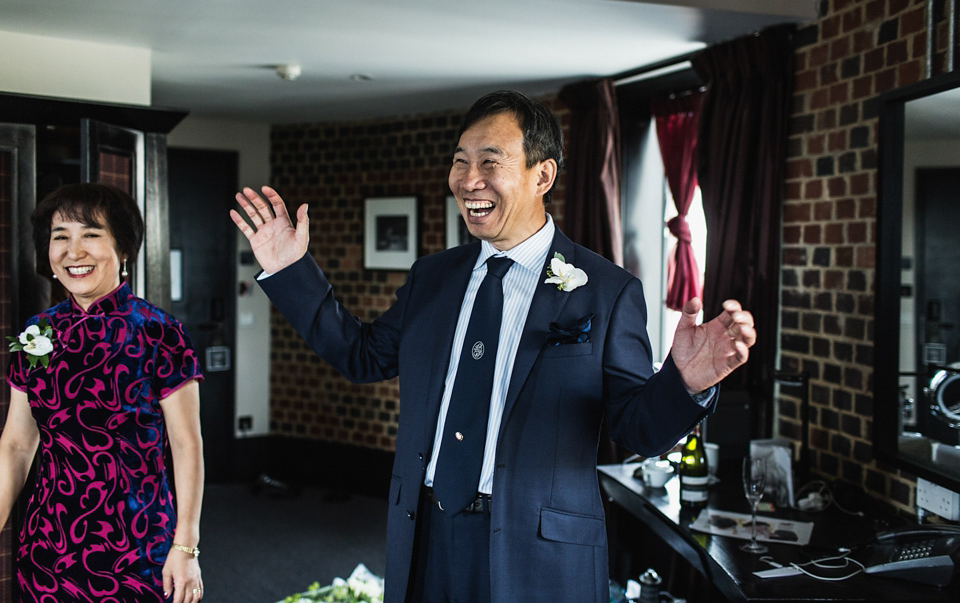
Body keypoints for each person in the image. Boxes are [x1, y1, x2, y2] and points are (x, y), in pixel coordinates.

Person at [231, 90, 756, 603]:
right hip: (426, 537)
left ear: (542, 175)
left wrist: (685, 383)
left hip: (539, 555)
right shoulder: (432, 277)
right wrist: (289, 270)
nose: (468, 179)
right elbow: (361, 355)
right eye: (460, 161)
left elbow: (634, 428)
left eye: (490, 160)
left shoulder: (606, 290)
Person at [0, 183, 205, 603]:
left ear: (124, 248)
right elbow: (17, 446)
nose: (74, 251)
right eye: (61, 237)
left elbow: (187, 445)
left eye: (90, 234)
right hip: (48, 547)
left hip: (138, 547)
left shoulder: (159, 332)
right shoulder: (37, 333)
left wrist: (185, 547)